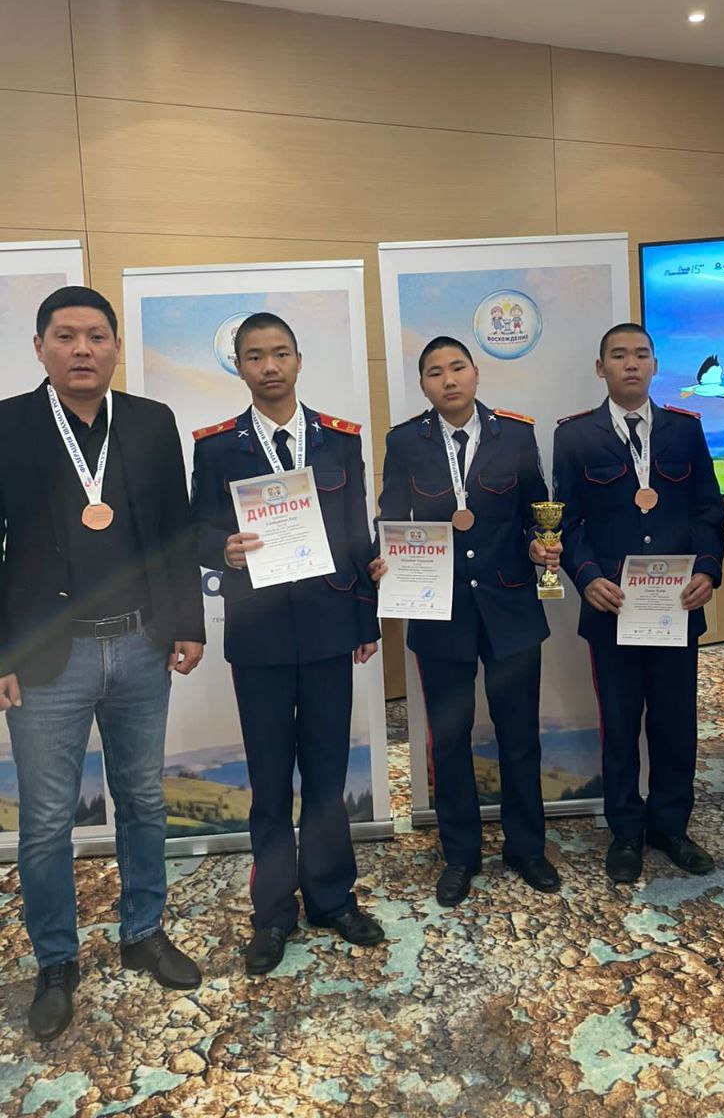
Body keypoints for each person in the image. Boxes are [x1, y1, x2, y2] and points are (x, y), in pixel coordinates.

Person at [0, 286, 206, 1042]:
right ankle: (56, 962)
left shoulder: (151, 421)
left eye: (95, 336)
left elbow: (176, 530)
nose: (81, 349)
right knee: (47, 822)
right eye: (65, 336)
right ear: (39, 347)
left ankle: (142, 931)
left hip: (142, 643)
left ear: (116, 346)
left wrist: (188, 624)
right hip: (46, 656)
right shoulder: (8, 425)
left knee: (143, 799)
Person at [191, 313, 384, 975]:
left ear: (299, 360)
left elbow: (357, 533)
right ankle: (274, 913)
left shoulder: (340, 440)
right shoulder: (218, 448)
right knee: (270, 783)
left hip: (330, 630)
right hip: (259, 637)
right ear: (240, 366)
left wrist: (365, 621)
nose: (269, 367)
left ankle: (332, 899)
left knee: (327, 776)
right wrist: (222, 550)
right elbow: (195, 530)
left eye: (279, 354)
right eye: (255, 356)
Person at [371, 336, 561, 907]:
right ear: (423, 385)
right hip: (439, 611)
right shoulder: (406, 441)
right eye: (435, 372)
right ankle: (460, 854)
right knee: (449, 737)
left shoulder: (516, 435)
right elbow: (391, 515)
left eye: (458, 368)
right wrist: (385, 557)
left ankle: (527, 847)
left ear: (476, 373)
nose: (448, 379)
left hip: (510, 607)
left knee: (519, 734)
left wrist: (540, 544)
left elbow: (537, 511)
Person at [552, 323, 724, 884]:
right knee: (620, 725)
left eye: (641, 354)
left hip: (677, 606)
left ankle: (671, 827)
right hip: (614, 608)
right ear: (600, 367)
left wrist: (708, 569)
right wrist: (587, 578)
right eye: (619, 355)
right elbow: (568, 522)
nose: (631, 363)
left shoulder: (685, 430)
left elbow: (707, 510)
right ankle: (626, 830)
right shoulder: (574, 437)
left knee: (676, 723)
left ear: (655, 365)